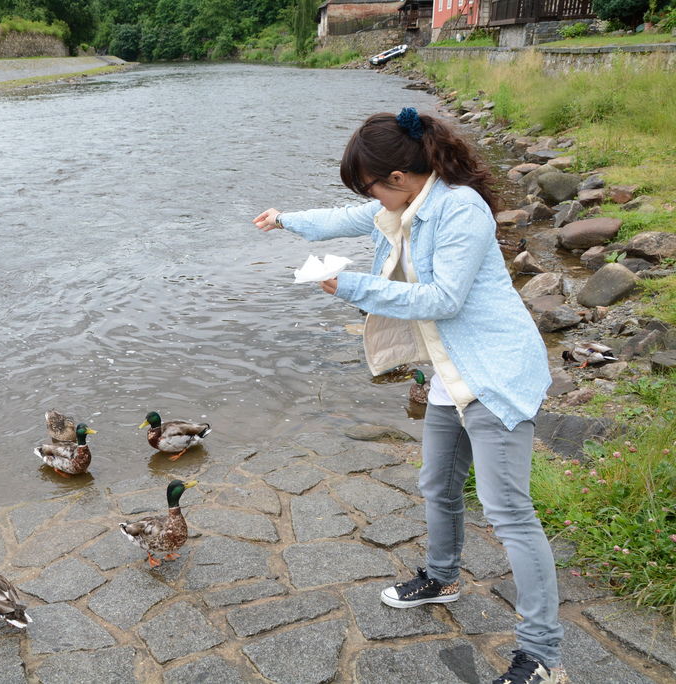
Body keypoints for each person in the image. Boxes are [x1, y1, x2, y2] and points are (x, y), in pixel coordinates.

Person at [253, 108, 566, 684]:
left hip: (493, 373)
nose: (370, 199)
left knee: (510, 514)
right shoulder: (409, 206)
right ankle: (443, 578)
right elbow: (352, 215)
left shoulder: (459, 209)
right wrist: (287, 219)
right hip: (452, 373)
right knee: (438, 483)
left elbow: (444, 298)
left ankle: (543, 655)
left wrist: (350, 285)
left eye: (372, 185)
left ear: (399, 178)